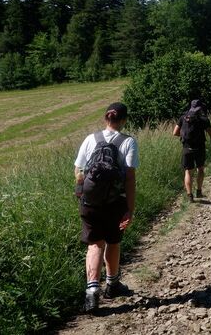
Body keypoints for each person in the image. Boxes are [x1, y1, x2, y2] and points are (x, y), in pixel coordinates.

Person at [74, 102, 138, 314]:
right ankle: (112, 284)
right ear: (124, 120)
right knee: (113, 241)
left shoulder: (90, 139)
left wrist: (81, 194)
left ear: (105, 118)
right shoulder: (128, 142)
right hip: (114, 203)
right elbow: (129, 178)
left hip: (90, 203)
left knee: (95, 245)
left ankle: (92, 293)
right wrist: (130, 208)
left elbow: (79, 171)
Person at [173, 99, 211, 202]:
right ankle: (199, 191)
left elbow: (175, 133)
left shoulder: (183, 117)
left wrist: (184, 136)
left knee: (188, 172)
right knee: (200, 169)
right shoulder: (203, 119)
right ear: (200, 108)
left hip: (186, 148)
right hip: (199, 148)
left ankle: (189, 195)